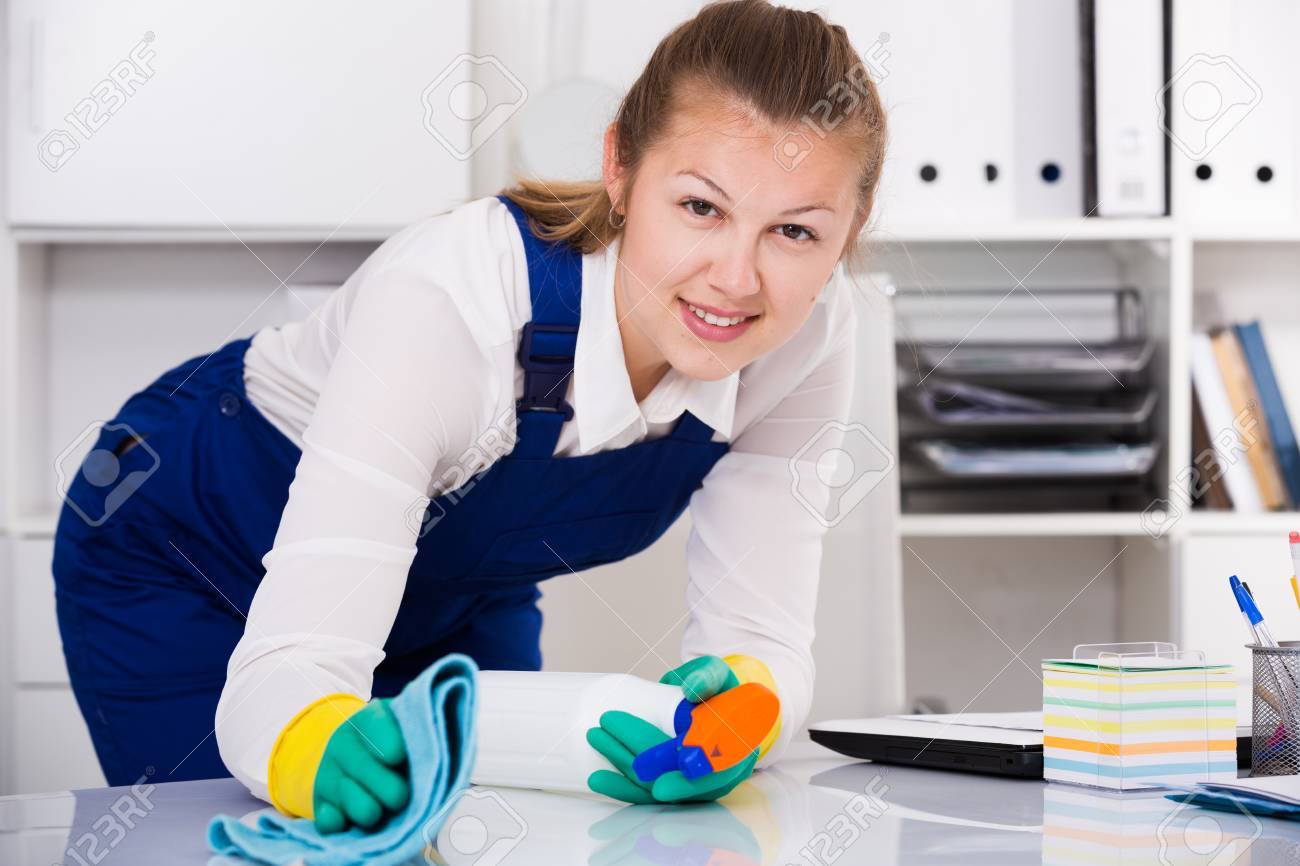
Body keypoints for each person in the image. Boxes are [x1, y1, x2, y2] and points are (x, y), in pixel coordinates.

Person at [51, 0, 885, 831]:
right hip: (185, 548)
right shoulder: (453, 299)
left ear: (850, 230)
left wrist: (743, 708)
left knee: (494, 839)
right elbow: (288, 670)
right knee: (257, 841)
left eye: (794, 232)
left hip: (454, 594)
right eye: (701, 207)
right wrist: (308, 736)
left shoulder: (808, 336)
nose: (736, 279)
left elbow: (761, 636)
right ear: (620, 169)